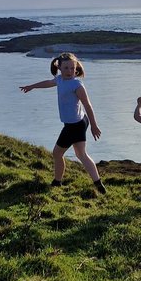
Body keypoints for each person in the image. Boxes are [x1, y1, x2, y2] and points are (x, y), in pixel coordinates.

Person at [20, 52, 106, 193]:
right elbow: (48, 82)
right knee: (81, 154)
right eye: (66, 68)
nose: (69, 71)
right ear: (59, 67)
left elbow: (88, 105)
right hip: (77, 122)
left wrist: (94, 126)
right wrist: (32, 86)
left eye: (72, 68)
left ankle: (57, 182)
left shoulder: (77, 85)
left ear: (76, 68)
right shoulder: (60, 80)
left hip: (75, 125)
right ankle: (98, 184)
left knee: (57, 153)